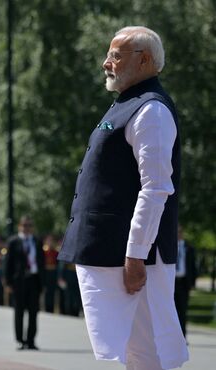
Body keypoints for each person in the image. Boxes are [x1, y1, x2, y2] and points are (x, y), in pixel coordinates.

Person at [57, 26, 189, 369]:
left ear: (143, 60)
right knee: (134, 350)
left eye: (115, 55)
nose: (106, 63)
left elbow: (156, 188)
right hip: (114, 252)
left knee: (144, 351)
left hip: (129, 257)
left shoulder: (151, 111)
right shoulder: (129, 105)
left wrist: (135, 257)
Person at [4, 216, 45, 350]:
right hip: (19, 281)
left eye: (29, 225)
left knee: (33, 312)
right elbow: (8, 264)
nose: (27, 228)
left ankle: (31, 340)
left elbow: (41, 262)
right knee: (19, 311)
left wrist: (42, 282)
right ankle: (20, 340)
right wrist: (8, 282)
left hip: (33, 279)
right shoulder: (13, 242)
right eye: (24, 225)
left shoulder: (37, 241)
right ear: (19, 227)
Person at [174, 225, 197, 338]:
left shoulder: (189, 248)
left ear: (182, 234)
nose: (177, 234)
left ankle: (182, 337)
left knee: (182, 311)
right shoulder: (170, 247)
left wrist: (192, 283)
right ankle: (172, 337)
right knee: (171, 311)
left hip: (183, 284)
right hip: (171, 283)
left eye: (179, 232)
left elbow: (193, 267)